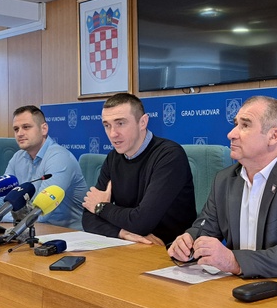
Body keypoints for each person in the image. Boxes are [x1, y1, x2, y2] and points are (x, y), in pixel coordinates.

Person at [168, 96, 277, 280]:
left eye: (245, 125)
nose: (231, 134)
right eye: (236, 124)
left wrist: (234, 261)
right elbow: (206, 227)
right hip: (248, 286)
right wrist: (188, 241)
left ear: (274, 136)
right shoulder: (224, 180)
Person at [82, 93, 196, 245]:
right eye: (107, 125)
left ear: (143, 122)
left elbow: (142, 221)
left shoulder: (169, 156)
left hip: (168, 249)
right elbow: (88, 218)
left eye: (120, 123)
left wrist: (101, 207)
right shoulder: (113, 158)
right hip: (131, 244)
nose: (113, 134)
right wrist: (122, 233)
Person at [0, 105, 87, 229]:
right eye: (16, 129)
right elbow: (3, 196)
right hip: (30, 229)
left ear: (44, 129)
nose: (20, 133)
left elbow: (40, 213)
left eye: (26, 127)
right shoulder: (18, 157)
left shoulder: (59, 158)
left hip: (65, 233)